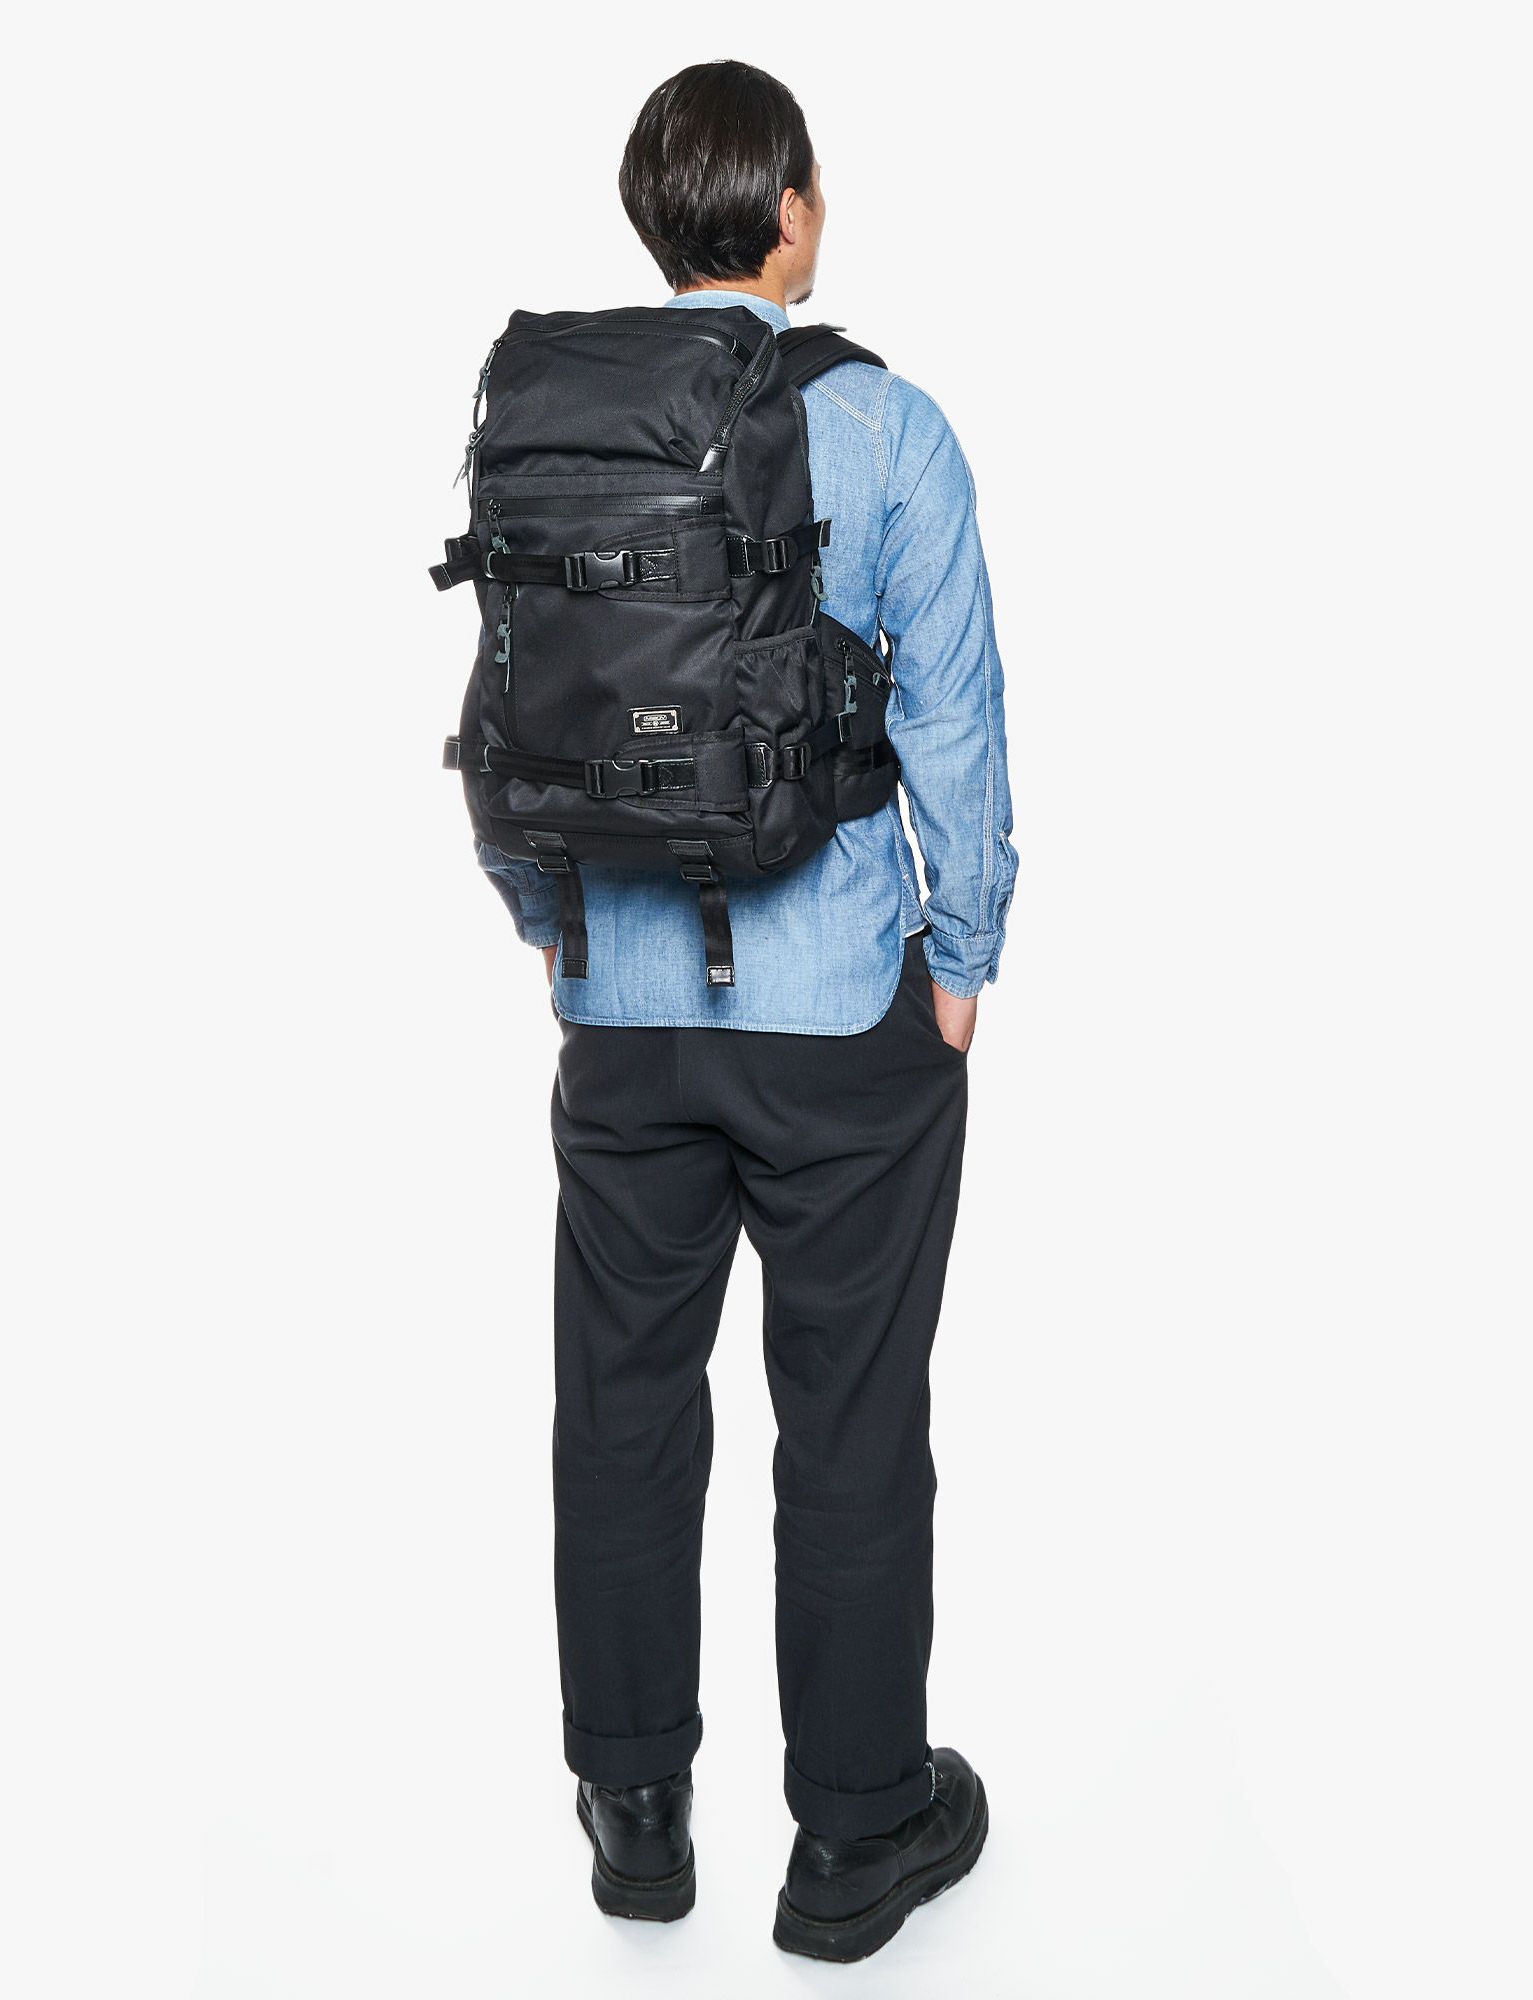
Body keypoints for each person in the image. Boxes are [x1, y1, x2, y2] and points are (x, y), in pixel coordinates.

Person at [468, 60, 1019, 1962]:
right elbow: (955, 720)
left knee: (620, 1409)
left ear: (656, 223)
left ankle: (635, 1817)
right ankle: (857, 1837)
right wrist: (963, 964)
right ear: (789, 213)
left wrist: (555, 927)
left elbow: (517, 699)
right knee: (849, 1419)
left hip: (620, 1010)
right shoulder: (886, 425)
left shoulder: (556, 423)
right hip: (843, 1007)